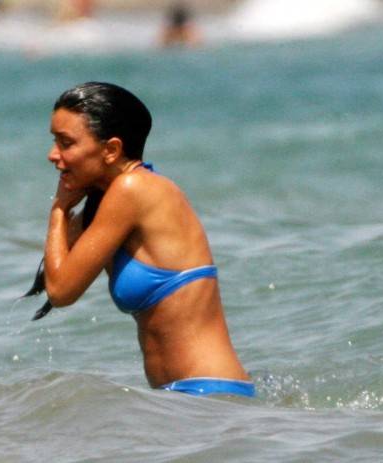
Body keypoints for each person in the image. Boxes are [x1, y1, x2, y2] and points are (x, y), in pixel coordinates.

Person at [43, 82, 254, 398]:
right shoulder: (111, 200)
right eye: (54, 141)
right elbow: (57, 265)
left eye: (66, 143)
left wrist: (59, 208)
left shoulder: (134, 190)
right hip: (184, 397)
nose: (52, 155)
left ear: (111, 150)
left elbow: (61, 291)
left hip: (209, 394)